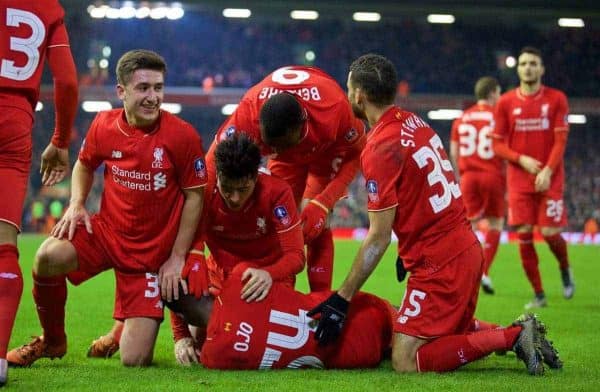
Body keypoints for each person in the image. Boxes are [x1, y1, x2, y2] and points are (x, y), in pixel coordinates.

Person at [308, 54, 559, 375]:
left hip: (440, 266)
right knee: (445, 330)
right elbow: (420, 192)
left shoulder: (380, 146)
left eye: (348, 90)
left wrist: (342, 299)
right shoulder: (415, 122)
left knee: (405, 360)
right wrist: (406, 247)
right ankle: (516, 330)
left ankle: (512, 337)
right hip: (464, 248)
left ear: (359, 95)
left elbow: (377, 237)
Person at [6, 49, 207, 368]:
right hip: (106, 235)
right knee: (47, 257)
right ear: (121, 91)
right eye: (143, 88)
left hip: (148, 258)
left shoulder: (182, 136)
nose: (153, 97)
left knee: (135, 359)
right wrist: (76, 204)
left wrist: (178, 255)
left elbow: (196, 196)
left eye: (158, 87)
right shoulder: (103, 125)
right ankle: (52, 341)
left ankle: (121, 328)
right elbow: (84, 165)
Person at [88, 133, 305, 363]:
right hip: (219, 276)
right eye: (228, 188)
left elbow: (297, 256)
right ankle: (124, 334)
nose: (234, 198)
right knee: (202, 340)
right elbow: (172, 258)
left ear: (255, 178)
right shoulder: (202, 192)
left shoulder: (277, 192)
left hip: (267, 280)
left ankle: (118, 334)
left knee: (251, 345)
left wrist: (268, 274)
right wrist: (180, 337)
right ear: (218, 175)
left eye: (243, 189)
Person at [206, 65, 366, 292]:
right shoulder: (249, 112)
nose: (274, 151)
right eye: (270, 146)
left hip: (326, 152)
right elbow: (208, 171)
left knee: (315, 223)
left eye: (280, 145)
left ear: (301, 127)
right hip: (288, 159)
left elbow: (357, 154)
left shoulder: (335, 110)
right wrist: (191, 248)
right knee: (279, 224)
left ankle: (319, 301)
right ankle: (277, 289)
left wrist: (324, 202)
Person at [0, 0, 78, 386]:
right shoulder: (47, 7)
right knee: (5, 249)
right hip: (15, 120)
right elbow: (65, 81)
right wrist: (60, 140)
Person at [492, 46, 574, 309]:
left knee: (550, 232)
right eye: (524, 63)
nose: (528, 67)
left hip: (550, 177)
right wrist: (521, 159)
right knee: (524, 235)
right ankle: (539, 295)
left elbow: (561, 140)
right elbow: (497, 145)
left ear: (541, 69)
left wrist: (548, 170)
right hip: (518, 180)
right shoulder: (505, 102)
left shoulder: (556, 98)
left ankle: (564, 267)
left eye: (533, 63)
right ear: (518, 69)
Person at [450, 77, 505, 294]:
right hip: (492, 173)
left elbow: (454, 151)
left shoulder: (462, 119)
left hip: (468, 176)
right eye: (499, 93)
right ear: (492, 93)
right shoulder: (498, 117)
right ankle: (484, 271)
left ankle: (462, 270)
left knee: (467, 224)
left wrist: (460, 174)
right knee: (495, 223)